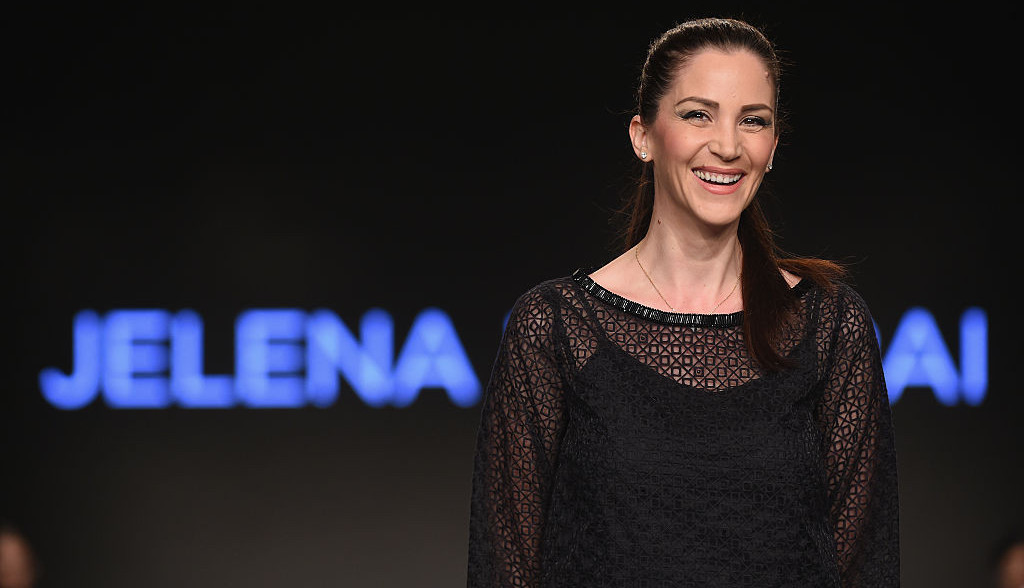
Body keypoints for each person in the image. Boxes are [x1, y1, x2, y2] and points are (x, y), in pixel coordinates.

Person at [466, 16, 899, 587]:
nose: (727, 146)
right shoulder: (555, 328)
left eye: (753, 120)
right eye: (698, 114)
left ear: (772, 148)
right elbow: (504, 569)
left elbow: (867, 566)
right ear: (642, 136)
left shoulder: (829, 324)